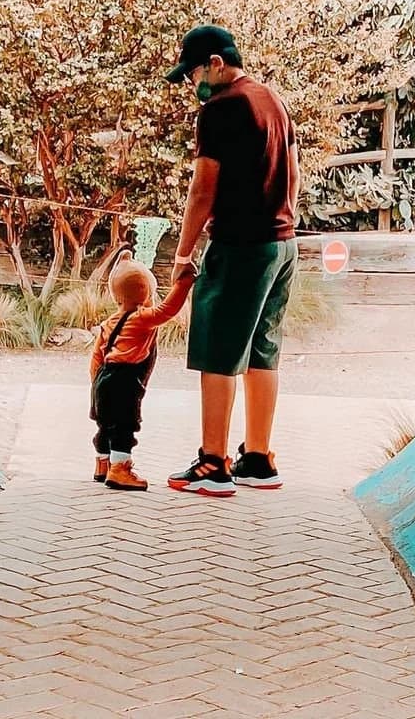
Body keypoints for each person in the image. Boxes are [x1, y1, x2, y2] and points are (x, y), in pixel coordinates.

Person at [163, 25, 299, 496]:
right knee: (264, 350)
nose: (192, 82)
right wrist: (282, 221)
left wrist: (183, 254)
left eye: (194, 71)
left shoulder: (218, 110)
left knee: (218, 352)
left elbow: (203, 189)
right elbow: (294, 176)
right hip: (282, 245)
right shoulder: (273, 100)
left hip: (240, 246)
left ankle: (213, 464)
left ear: (217, 63)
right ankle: (258, 458)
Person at [90, 249, 196, 491]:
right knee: (124, 424)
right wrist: (184, 283)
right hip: (125, 380)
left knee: (106, 424)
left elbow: (97, 355)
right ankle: (120, 469)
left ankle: (102, 464)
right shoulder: (142, 317)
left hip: (104, 377)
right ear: (146, 291)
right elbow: (168, 309)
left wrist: (95, 384)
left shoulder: (110, 322)